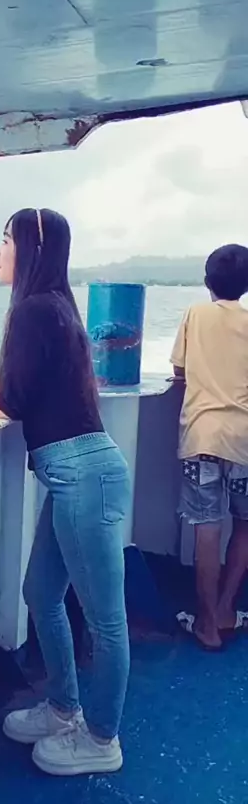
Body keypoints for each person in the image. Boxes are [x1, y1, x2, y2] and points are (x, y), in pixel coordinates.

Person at [0, 208, 131, 776]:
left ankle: (102, 738)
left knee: (105, 619)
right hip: (74, 474)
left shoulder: (35, 310)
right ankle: (63, 708)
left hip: (84, 476)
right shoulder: (55, 308)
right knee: (40, 592)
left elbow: (11, 401)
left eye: (5, 240)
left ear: (31, 250)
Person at [172, 244, 248, 651]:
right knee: (245, 525)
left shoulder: (195, 315)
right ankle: (224, 609)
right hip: (245, 442)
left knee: (207, 527)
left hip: (202, 438)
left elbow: (179, 369)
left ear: (207, 282)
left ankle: (206, 624)